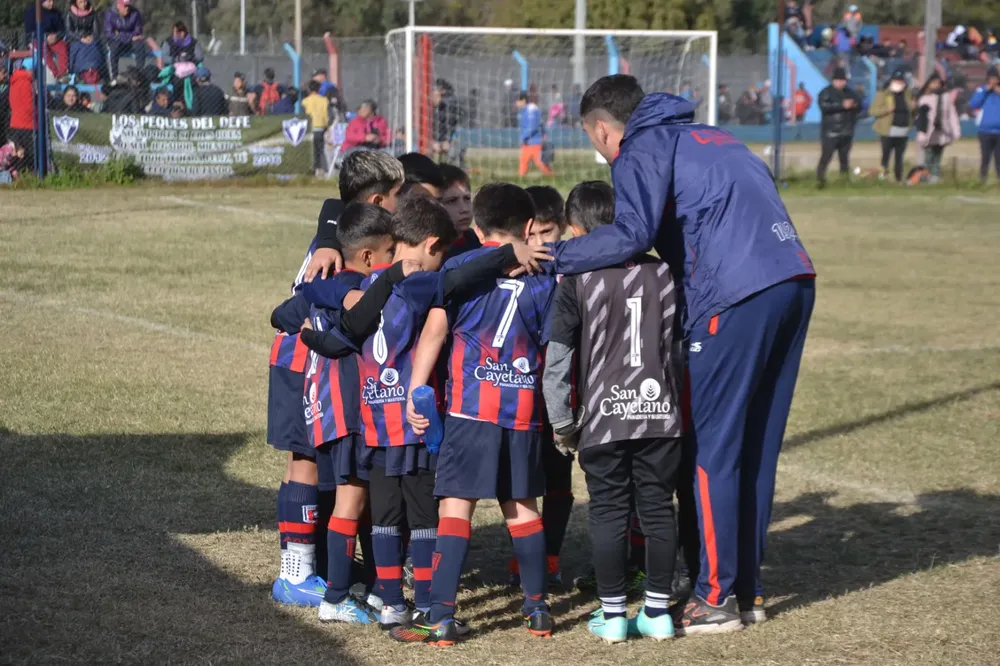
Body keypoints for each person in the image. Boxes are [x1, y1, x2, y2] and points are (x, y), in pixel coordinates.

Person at [538, 74, 815, 634]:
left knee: (714, 448)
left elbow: (630, 231)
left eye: (595, 142)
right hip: (794, 278)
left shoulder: (642, 146)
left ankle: (715, 597)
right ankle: (745, 591)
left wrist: (556, 255)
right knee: (755, 447)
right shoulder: (712, 135)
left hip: (733, 294)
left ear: (601, 128)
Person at [394, 183, 557, 646]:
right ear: (529, 228)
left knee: (456, 506)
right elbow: (550, 347)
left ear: (478, 226)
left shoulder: (462, 266)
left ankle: (441, 614)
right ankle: (537, 609)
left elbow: (434, 333)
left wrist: (415, 388)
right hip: (523, 410)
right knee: (522, 508)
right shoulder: (544, 278)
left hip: (471, 410)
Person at [541, 180, 682, 644]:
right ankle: (659, 612)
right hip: (660, 412)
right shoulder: (665, 273)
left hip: (605, 416)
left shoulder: (576, 280)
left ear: (578, 230)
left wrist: (562, 422)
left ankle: (613, 614)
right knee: (658, 506)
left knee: (608, 510)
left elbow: (557, 359)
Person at [266, 151, 406, 608]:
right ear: (379, 198)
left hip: (308, 357)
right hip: (302, 359)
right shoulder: (334, 252)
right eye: (399, 197)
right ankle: (296, 573)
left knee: (308, 463)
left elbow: (333, 208)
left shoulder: (341, 232)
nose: (401, 206)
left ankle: (307, 568)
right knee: (303, 462)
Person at [817, 68, 862, 186]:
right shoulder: (826, 92)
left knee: (844, 159)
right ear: (834, 80)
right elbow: (824, 106)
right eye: (839, 80)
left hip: (846, 131)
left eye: (843, 80)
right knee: (826, 157)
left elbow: (859, 105)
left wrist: (854, 105)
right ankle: (820, 180)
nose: (842, 83)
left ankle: (844, 180)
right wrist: (841, 105)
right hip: (830, 132)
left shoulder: (850, 93)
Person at [915, 74, 960, 182]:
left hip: (942, 131)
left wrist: (955, 130)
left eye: (938, 83)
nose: (936, 85)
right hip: (929, 132)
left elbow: (951, 114)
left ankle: (935, 177)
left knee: (937, 155)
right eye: (934, 83)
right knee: (929, 155)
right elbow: (921, 118)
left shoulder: (946, 97)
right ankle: (926, 176)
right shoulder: (924, 98)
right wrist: (921, 133)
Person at [871, 71, 913, 183]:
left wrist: (914, 107)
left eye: (901, 81)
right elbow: (872, 111)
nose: (899, 83)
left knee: (899, 157)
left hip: (903, 130)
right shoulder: (883, 94)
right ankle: (882, 178)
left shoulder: (907, 94)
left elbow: (911, 111)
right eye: (896, 80)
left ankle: (899, 179)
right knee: (885, 156)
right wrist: (887, 109)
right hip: (887, 131)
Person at [968, 67, 1000, 184]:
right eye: (991, 78)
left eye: (995, 78)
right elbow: (973, 104)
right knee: (985, 157)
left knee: (999, 159)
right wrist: (987, 90)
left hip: (999, 132)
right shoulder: (981, 90)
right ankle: (983, 179)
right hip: (985, 131)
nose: (993, 81)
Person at [24, 0, 70, 80]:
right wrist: (45, 37)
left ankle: (63, 73)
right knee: (44, 52)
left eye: (53, 1)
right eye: (49, 1)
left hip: (54, 40)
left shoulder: (56, 13)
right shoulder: (31, 12)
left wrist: (57, 36)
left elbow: (62, 30)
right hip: (37, 40)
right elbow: (29, 32)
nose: (52, 3)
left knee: (63, 47)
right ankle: (55, 73)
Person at [438, 163, 478, 254]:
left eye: (467, 198)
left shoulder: (479, 242)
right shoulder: (431, 252)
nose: (464, 209)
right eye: (452, 201)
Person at [103, 0, 144, 81]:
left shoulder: (135, 13)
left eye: (128, 6)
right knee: (114, 47)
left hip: (131, 42)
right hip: (117, 42)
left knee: (139, 45)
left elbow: (138, 31)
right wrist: (129, 37)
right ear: (118, 5)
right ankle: (114, 77)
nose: (127, 8)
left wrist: (120, 34)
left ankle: (139, 75)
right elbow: (109, 34)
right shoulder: (110, 14)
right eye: (125, 6)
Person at [66, 0, 102, 84]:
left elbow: (96, 30)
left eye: (85, 2)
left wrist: (92, 37)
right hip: (76, 39)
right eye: (81, 2)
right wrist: (80, 38)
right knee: (78, 49)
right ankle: (78, 72)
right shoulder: (70, 14)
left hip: (90, 38)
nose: (83, 4)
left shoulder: (92, 13)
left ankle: (93, 70)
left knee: (94, 48)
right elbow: (69, 31)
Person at [517, 92, 552, 177]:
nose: (516, 103)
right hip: (528, 142)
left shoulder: (531, 110)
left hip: (534, 142)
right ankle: (521, 177)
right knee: (523, 160)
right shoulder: (528, 110)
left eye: (518, 100)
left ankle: (550, 176)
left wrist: (523, 137)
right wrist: (544, 132)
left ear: (524, 100)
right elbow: (541, 122)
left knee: (539, 162)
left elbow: (533, 126)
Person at [8, 60, 34, 174]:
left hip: (15, 122)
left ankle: (17, 175)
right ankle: (28, 176)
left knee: (18, 155)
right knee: (27, 155)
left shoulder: (14, 81)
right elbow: (30, 105)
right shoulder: (27, 83)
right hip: (27, 124)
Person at [431, 79, 463, 162]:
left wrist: (447, 141)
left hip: (453, 138)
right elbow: (436, 126)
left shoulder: (450, 105)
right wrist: (434, 141)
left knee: (451, 157)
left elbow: (451, 125)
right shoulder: (434, 109)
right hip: (440, 139)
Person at [302, 80, 329, 175]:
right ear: (319, 89)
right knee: (321, 150)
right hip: (321, 127)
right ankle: (322, 169)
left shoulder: (305, 101)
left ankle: (312, 169)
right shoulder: (324, 100)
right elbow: (327, 115)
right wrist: (327, 126)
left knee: (311, 151)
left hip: (310, 128)